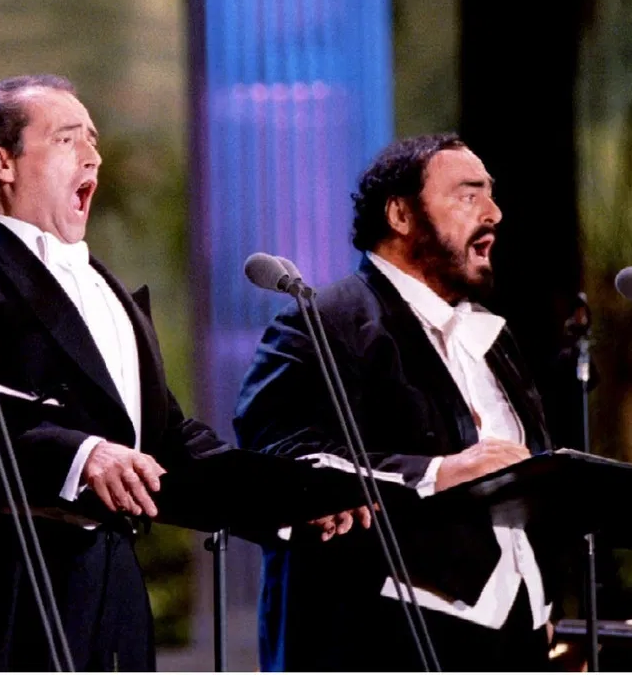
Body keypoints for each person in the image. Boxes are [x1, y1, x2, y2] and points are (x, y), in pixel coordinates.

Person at [0, 74, 369, 671]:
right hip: (2, 598)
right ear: (0, 161)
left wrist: (292, 498)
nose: (94, 156)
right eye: (67, 140)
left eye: (94, 140)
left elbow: (170, 447)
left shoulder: (110, 290)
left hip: (111, 596)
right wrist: (78, 454)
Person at [233, 134, 560, 671]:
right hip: (382, 633)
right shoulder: (322, 320)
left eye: (491, 195)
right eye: (468, 195)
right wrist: (437, 471)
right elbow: (280, 457)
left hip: (518, 634)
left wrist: (536, 591)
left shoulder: (493, 339)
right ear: (401, 214)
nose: (494, 213)